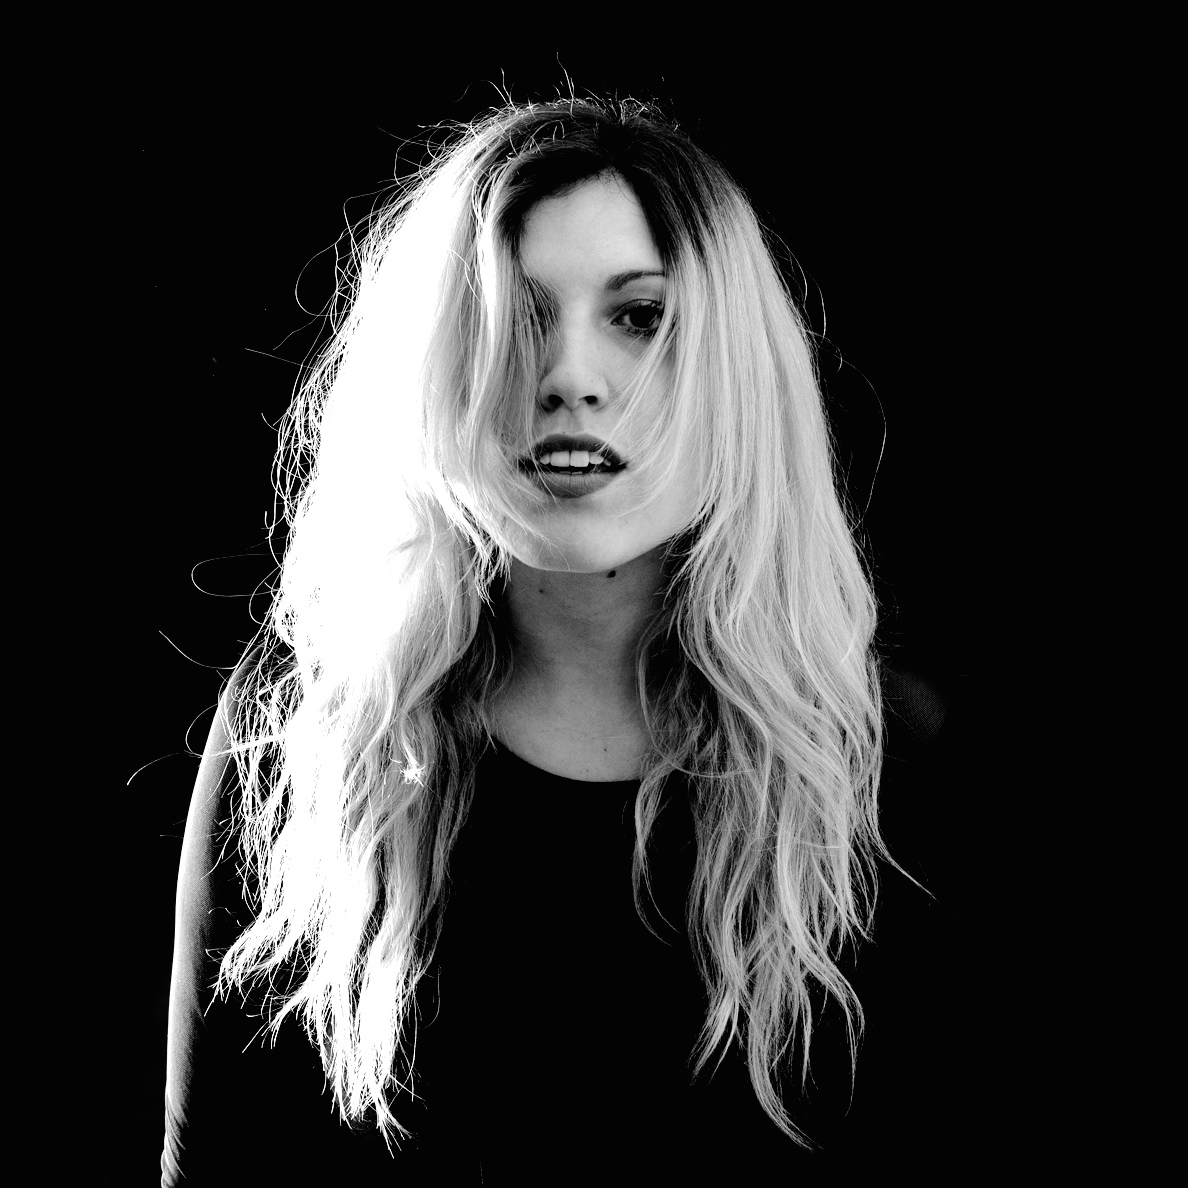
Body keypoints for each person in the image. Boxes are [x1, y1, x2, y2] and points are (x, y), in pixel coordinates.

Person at [161, 93, 960, 1184]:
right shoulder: (310, 731)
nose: (570, 379)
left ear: (734, 368)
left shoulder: (889, 756)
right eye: (518, 316)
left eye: (640, 316)